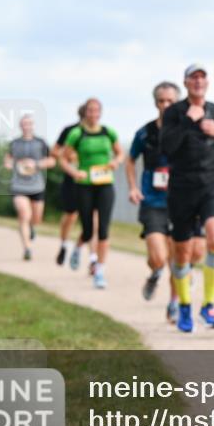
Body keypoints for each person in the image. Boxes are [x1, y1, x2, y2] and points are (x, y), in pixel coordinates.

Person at [160, 63, 214, 333]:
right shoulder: (174, 112)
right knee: (182, 253)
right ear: (185, 83)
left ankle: (208, 305)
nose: (198, 82)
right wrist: (188, 120)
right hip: (181, 189)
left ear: (207, 83)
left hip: (211, 187)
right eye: (193, 78)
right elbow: (167, 148)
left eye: (202, 78)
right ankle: (184, 305)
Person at [127, 81, 206, 323]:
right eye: (161, 101)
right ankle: (155, 274)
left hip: (182, 200)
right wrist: (133, 187)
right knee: (159, 258)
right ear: (155, 103)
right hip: (153, 201)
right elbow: (130, 160)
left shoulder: (190, 129)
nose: (165, 105)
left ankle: (174, 302)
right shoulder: (145, 133)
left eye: (170, 101)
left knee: (188, 254)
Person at [59, 98, 124, 289]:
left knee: (103, 229)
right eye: (90, 110)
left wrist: (116, 162)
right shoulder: (77, 133)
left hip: (105, 183)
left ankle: (99, 271)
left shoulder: (108, 132)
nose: (93, 114)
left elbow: (120, 153)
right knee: (88, 230)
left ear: (100, 112)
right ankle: (78, 248)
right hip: (84, 185)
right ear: (85, 113)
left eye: (97, 110)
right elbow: (62, 159)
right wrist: (74, 172)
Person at [4, 115, 55, 260]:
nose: (26, 126)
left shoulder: (41, 143)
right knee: (24, 214)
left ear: (32, 126)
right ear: (20, 126)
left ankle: (32, 227)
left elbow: (52, 161)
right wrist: (10, 164)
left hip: (36, 185)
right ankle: (27, 248)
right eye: (24, 124)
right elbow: (8, 159)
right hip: (18, 185)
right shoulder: (14, 143)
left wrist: (36, 164)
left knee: (36, 218)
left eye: (29, 124)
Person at [53, 104, 97, 269]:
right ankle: (64, 244)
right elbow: (54, 151)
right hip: (72, 179)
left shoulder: (100, 132)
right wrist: (69, 155)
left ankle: (93, 258)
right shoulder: (70, 131)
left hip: (93, 181)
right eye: (89, 112)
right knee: (71, 215)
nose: (93, 116)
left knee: (93, 220)